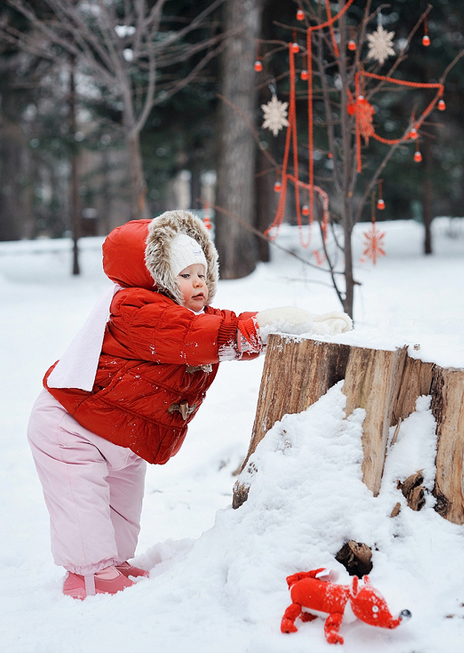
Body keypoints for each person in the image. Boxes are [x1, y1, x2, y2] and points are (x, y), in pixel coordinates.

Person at [27, 210, 351, 600]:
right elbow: (196, 336)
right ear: (158, 278)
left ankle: (113, 561)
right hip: (70, 429)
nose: (198, 282)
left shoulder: (191, 314)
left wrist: (296, 325)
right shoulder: (135, 309)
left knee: (122, 504)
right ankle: (88, 576)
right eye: (184, 275)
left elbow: (226, 326)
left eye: (202, 273)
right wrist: (258, 327)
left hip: (120, 432)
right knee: (82, 503)